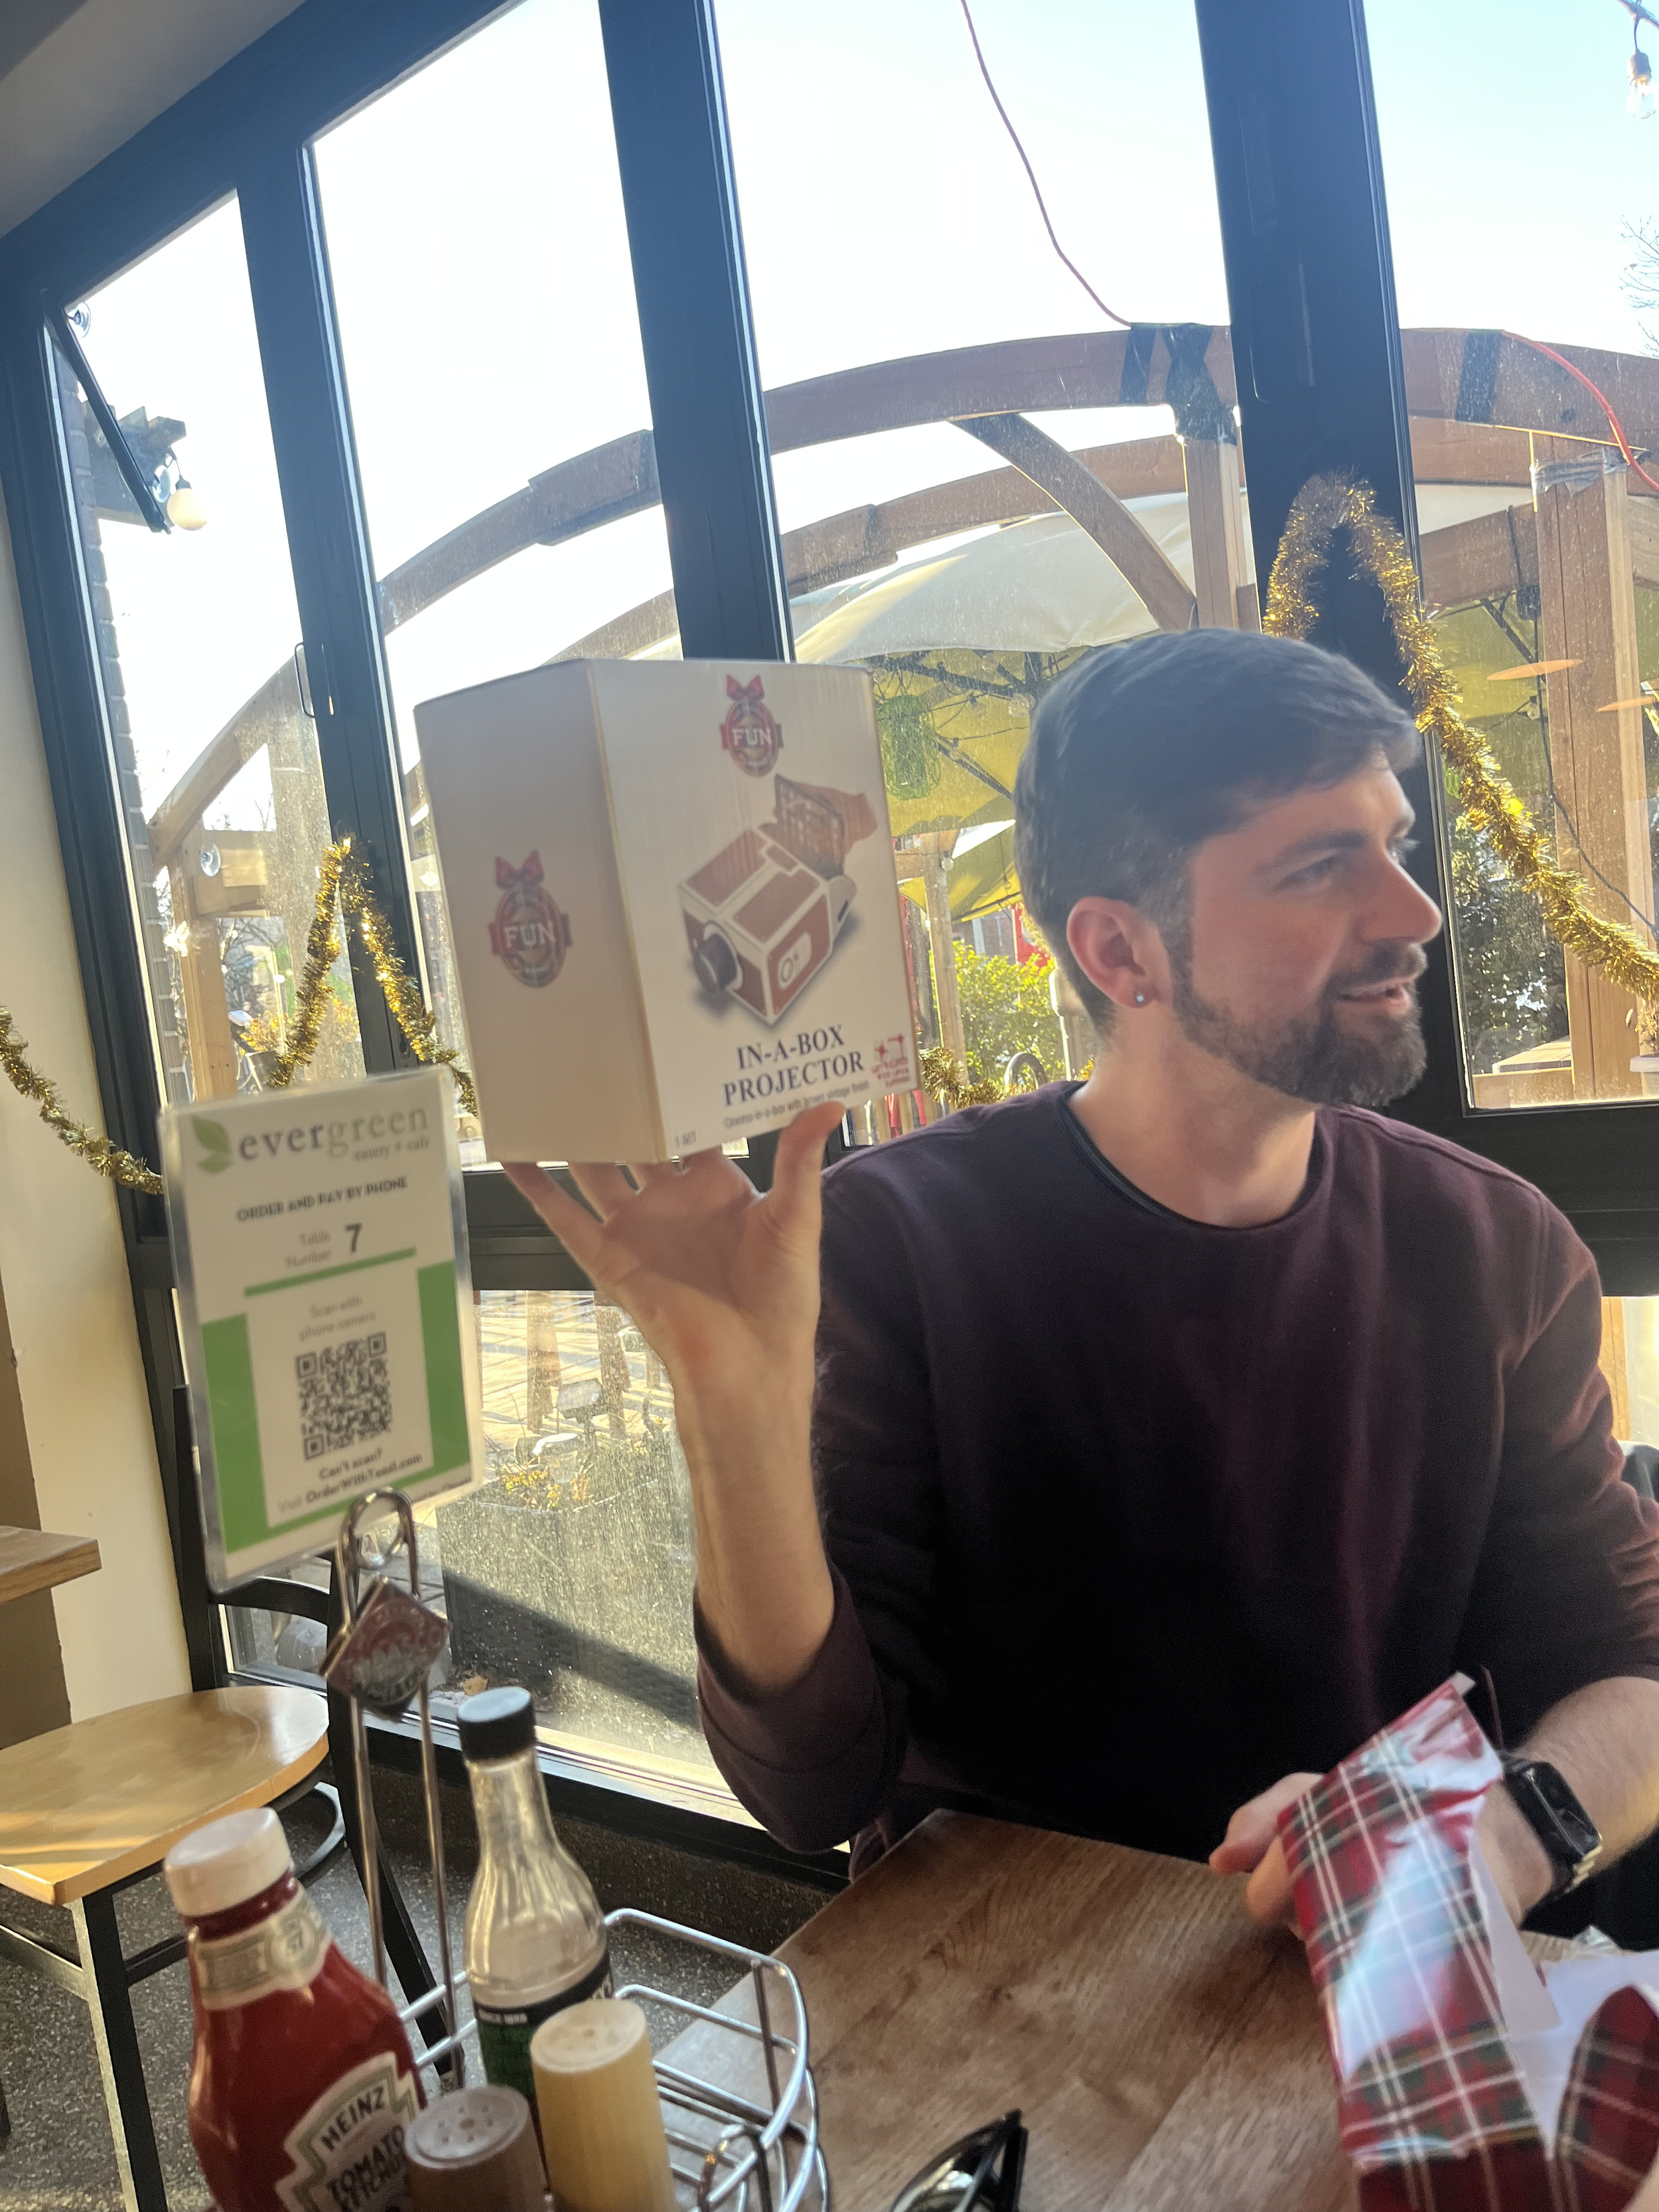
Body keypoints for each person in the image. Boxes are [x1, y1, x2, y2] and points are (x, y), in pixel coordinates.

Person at [507, 629, 1659, 1930]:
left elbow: (1629, 1667)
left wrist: (1493, 1843)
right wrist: (732, 1402)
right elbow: (811, 1787)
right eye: (1318, 866)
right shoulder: (896, 1246)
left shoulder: (1490, 1249)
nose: (1412, 913)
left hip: (1357, 1987)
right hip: (998, 2002)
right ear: (1118, 954)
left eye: (1388, 844)